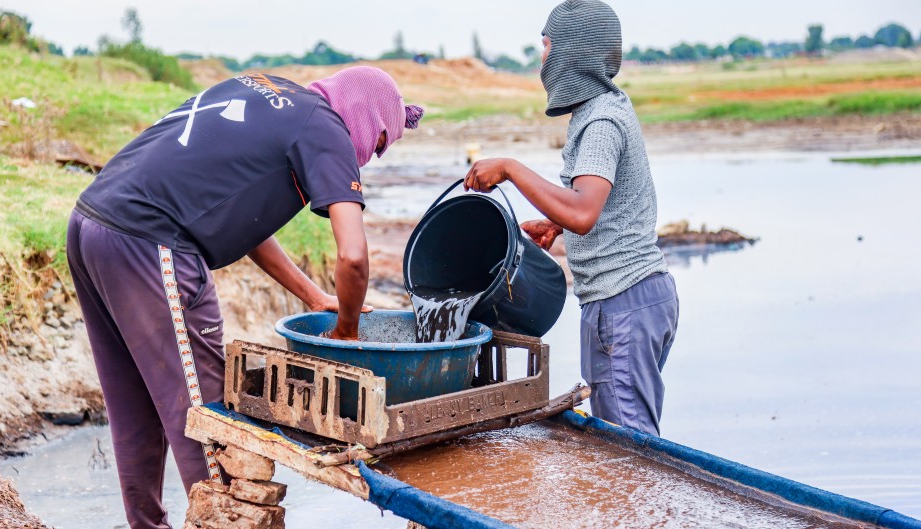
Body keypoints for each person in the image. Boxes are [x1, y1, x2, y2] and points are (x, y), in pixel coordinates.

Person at [67, 66, 423, 529]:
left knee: (133, 404)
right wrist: (347, 333)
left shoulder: (267, 91)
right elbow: (353, 257)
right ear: (365, 116)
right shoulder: (327, 127)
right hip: (150, 242)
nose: (369, 158)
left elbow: (243, 218)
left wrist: (313, 295)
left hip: (91, 224)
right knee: (206, 415)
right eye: (377, 144)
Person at [463, 0, 678, 437]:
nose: (541, 58)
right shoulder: (604, 108)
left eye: (546, 45)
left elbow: (583, 211)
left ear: (571, 53)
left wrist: (509, 168)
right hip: (636, 300)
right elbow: (594, 204)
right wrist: (555, 223)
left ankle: (639, 511)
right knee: (629, 442)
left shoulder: (600, 121)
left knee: (629, 454)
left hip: (623, 303)